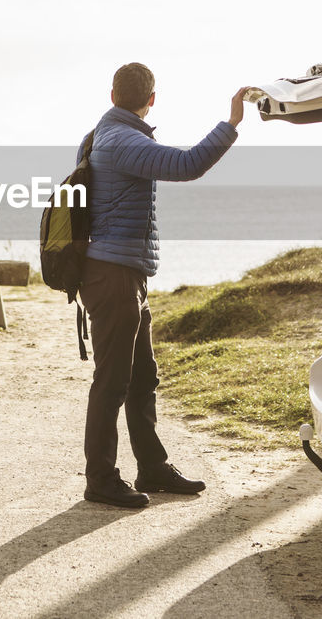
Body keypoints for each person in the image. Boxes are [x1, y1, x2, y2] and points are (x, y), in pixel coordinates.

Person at [77, 62, 251, 508]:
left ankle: (152, 468)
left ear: (113, 92)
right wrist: (231, 123)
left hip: (122, 273)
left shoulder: (107, 133)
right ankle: (101, 480)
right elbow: (189, 164)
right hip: (113, 276)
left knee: (141, 377)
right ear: (150, 99)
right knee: (112, 381)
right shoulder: (123, 141)